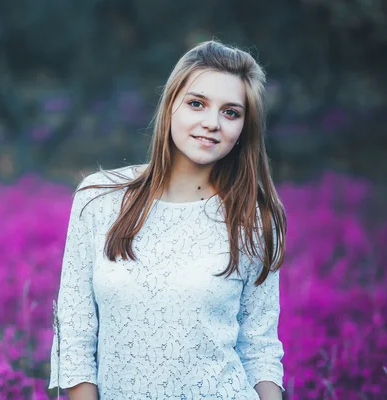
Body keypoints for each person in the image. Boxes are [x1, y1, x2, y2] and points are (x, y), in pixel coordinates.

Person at [49, 40, 287, 400]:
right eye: (197, 104)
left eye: (231, 112)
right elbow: (75, 337)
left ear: (243, 128)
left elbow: (259, 346)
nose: (212, 123)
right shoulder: (98, 198)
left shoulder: (253, 219)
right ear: (170, 105)